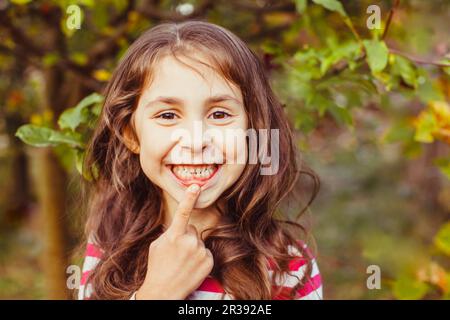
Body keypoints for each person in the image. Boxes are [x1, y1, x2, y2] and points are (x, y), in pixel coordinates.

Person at [77, 20, 322, 300]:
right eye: (167, 115)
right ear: (132, 135)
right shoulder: (109, 244)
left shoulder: (287, 268)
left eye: (219, 114)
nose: (196, 142)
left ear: (252, 131)